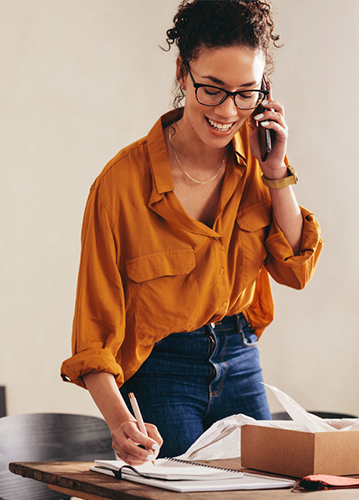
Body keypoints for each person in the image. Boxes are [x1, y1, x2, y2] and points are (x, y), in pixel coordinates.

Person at [61, 0, 323, 465]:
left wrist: (277, 169)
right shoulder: (120, 186)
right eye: (213, 90)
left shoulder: (259, 162)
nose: (228, 111)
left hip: (240, 357)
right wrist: (121, 423)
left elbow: (296, 270)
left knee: (266, 493)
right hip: (162, 370)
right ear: (183, 72)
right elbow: (94, 335)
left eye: (247, 93)